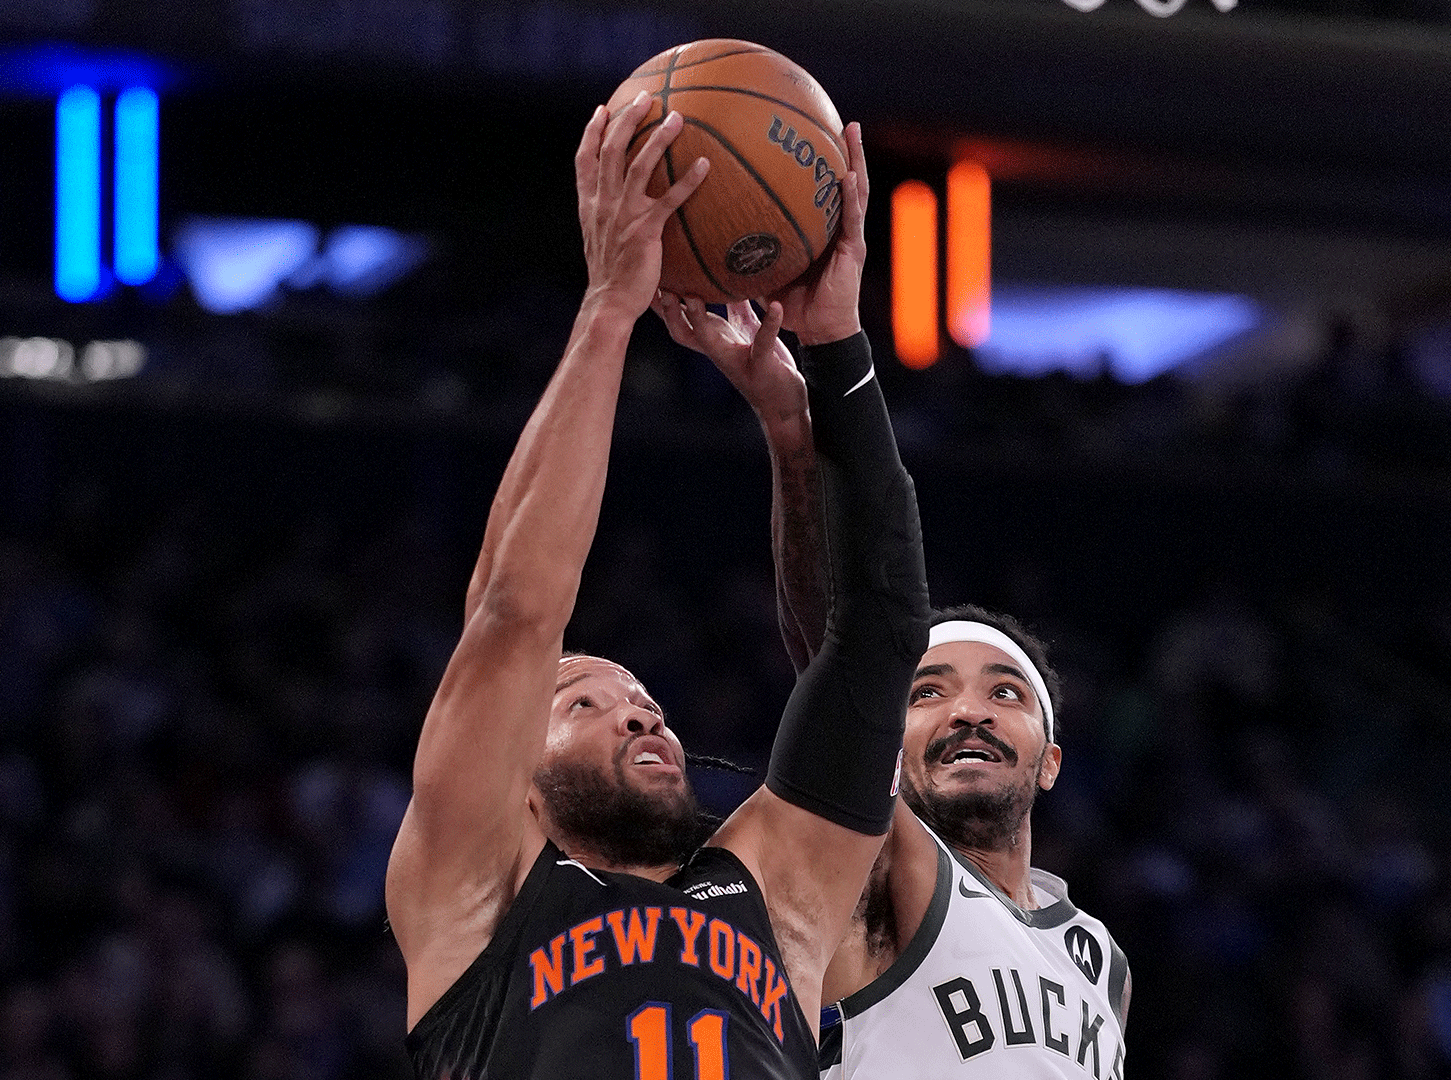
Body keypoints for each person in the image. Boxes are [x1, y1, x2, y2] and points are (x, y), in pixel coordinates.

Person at [384, 93, 929, 1080]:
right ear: (522, 780)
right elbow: (516, 613)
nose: (640, 718)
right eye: (584, 700)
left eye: (641, 703)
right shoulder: (478, 888)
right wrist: (608, 313)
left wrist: (831, 359)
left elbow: (880, 640)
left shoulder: (774, 891)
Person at [660, 341, 1129, 1080]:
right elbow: (842, 660)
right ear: (885, 736)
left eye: (1004, 692)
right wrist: (797, 435)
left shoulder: (1100, 956)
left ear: (1051, 761)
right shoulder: (883, 871)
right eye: (927, 691)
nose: (968, 711)